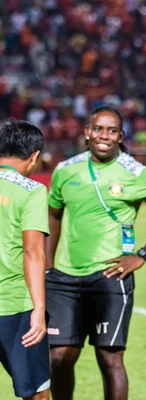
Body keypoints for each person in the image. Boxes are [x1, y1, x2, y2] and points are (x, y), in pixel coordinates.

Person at [45, 105, 146, 400]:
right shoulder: (65, 170)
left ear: (120, 136)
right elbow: (53, 215)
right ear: (87, 132)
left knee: (109, 358)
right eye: (98, 129)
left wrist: (141, 255)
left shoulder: (138, 174)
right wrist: (49, 266)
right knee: (59, 357)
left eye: (111, 130)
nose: (104, 135)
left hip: (111, 276)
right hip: (64, 277)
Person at [0, 121, 49, 400]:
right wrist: (39, 309)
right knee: (36, 394)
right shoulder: (31, 190)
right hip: (15, 306)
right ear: (34, 156)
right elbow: (33, 252)